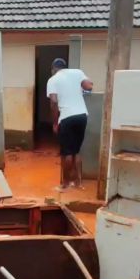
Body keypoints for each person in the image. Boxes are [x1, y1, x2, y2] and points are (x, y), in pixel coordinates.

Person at [47, 58, 92, 191]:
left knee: (67, 152)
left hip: (67, 117)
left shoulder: (53, 79)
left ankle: (65, 184)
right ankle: (78, 183)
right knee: (76, 152)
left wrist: (55, 123)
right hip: (82, 115)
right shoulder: (77, 72)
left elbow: (54, 102)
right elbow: (89, 86)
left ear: (54, 69)